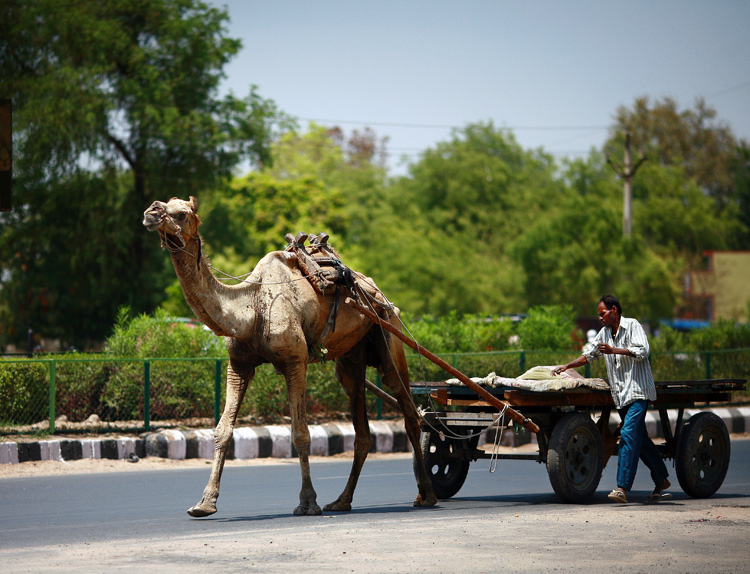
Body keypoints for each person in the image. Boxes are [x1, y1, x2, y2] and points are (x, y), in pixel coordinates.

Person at [551, 294, 672, 504]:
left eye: (603, 313)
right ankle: (661, 479)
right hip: (621, 394)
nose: (600, 318)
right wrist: (567, 366)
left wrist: (614, 350)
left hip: (638, 391)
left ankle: (622, 487)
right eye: (599, 315)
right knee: (639, 439)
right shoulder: (604, 333)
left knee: (627, 435)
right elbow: (589, 354)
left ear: (614, 310)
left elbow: (643, 351)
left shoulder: (632, 325)